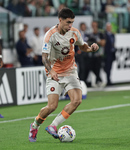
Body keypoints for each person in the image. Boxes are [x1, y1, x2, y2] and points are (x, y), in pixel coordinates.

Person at [28, 7, 99, 142]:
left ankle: (53, 126)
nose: (70, 25)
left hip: (71, 71)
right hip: (54, 72)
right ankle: (35, 125)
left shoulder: (74, 32)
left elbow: (83, 46)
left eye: (72, 22)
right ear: (60, 20)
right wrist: (51, 70)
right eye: (68, 22)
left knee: (77, 100)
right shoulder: (50, 35)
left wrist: (91, 48)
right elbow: (44, 58)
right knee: (52, 107)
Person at [84, 21, 106, 87]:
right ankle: (99, 80)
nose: (94, 27)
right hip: (91, 54)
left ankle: (98, 81)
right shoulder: (89, 34)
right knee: (91, 68)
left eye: (95, 25)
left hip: (98, 54)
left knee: (97, 68)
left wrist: (96, 40)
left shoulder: (100, 34)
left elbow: (103, 43)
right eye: (93, 25)